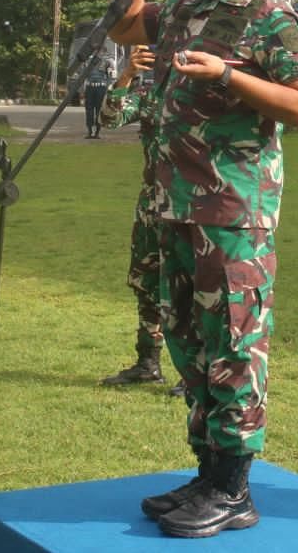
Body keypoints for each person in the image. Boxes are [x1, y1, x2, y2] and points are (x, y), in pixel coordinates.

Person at [107, 0, 298, 538]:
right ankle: (207, 473)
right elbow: (120, 27)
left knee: (233, 344)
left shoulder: (269, 15)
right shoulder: (183, 7)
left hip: (232, 211)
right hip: (174, 206)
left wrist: (227, 76)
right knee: (189, 342)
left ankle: (234, 488)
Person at [96, 45, 185, 398]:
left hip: (192, 207)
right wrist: (127, 75)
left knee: (189, 290)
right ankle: (148, 364)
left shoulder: (204, 97)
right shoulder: (151, 96)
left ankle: (193, 372)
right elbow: (108, 119)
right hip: (151, 206)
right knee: (146, 284)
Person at [83, 55, 114, 139]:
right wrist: (83, 89)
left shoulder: (107, 61)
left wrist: (108, 88)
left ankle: (97, 132)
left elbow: (110, 76)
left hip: (101, 88)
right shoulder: (87, 61)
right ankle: (89, 131)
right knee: (89, 110)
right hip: (90, 87)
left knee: (99, 110)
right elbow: (83, 75)